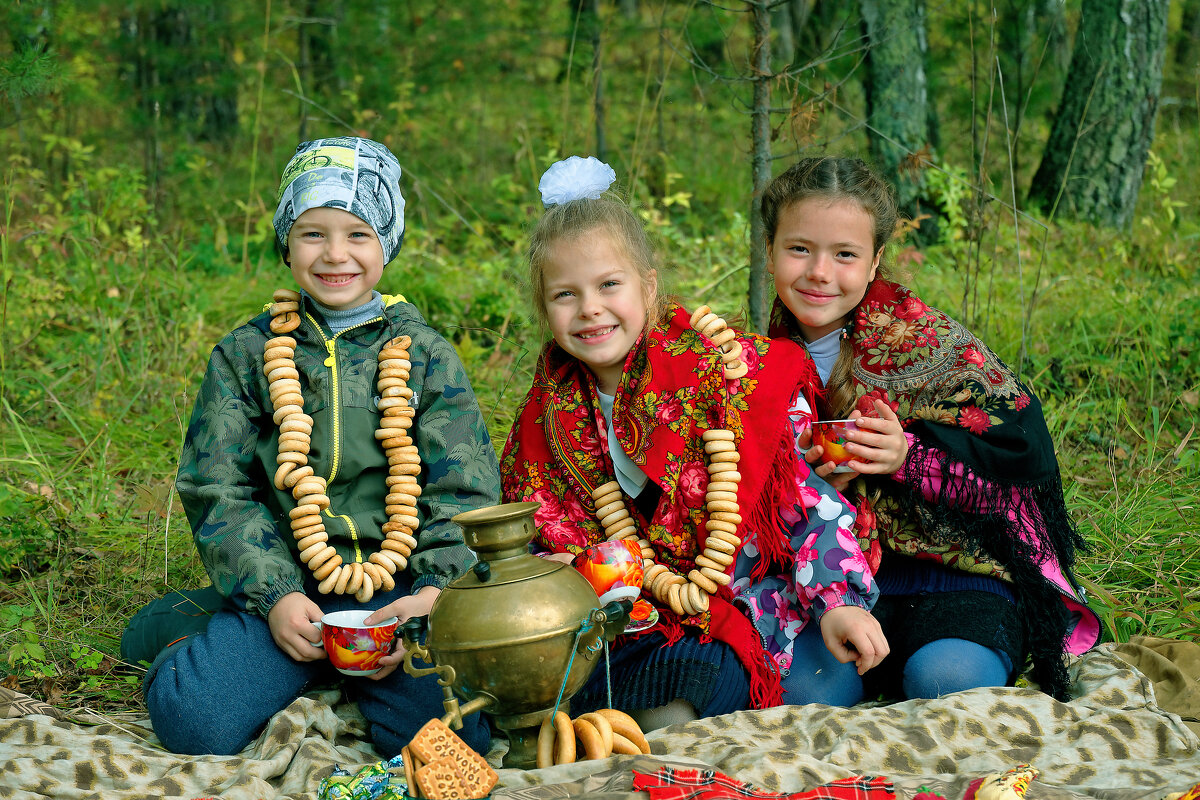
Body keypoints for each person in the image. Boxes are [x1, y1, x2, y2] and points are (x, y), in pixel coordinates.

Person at [122, 136, 498, 757]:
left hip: (396, 594)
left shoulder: (426, 355)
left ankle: (338, 671)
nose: (334, 255)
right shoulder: (246, 354)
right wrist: (273, 594)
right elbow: (215, 486)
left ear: (388, 242)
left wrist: (432, 596)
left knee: (452, 743)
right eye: (312, 234)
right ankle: (192, 627)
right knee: (194, 722)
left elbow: (465, 487)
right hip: (289, 583)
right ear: (285, 243)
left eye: (358, 234)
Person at [500, 156, 885, 728]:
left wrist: (839, 602)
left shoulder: (718, 374)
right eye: (565, 295)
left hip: (743, 597)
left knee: (777, 696)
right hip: (624, 618)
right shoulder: (546, 416)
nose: (590, 310)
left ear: (648, 287)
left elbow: (804, 504)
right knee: (558, 693)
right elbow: (536, 536)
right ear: (544, 307)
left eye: (610, 285)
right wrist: (552, 570)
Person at [762, 155, 1099, 704]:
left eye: (845, 255)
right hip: (837, 585)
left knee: (945, 687)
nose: (819, 273)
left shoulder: (930, 344)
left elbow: (1016, 477)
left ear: (876, 262)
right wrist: (810, 480)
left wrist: (905, 459)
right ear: (770, 251)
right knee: (807, 699)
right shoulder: (758, 357)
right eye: (799, 249)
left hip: (964, 576)